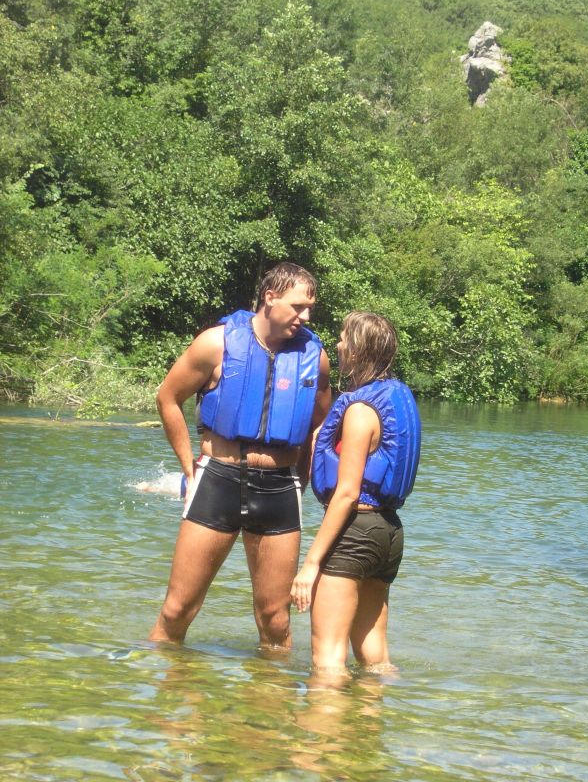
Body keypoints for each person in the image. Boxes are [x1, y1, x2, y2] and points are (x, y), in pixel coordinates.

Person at [149, 262, 331, 648]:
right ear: (270, 297)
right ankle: (167, 685)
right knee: (177, 610)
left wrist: (301, 481)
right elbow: (168, 398)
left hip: (279, 489)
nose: (306, 317)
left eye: (310, 309)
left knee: (275, 622)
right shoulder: (215, 343)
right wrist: (189, 469)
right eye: (298, 307)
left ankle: (270, 688)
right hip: (218, 480)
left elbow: (320, 424)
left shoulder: (315, 358)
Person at [290, 311, 421, 672]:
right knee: (375, 657)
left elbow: (347, 493)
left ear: (358, 350)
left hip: (355, 532)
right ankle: (376, 710)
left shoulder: (360, 411)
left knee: (327, 659)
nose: (338, 344)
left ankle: (325, 711)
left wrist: (310, 564)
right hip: (389, 534)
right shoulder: (395, 398)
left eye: (344, 337)